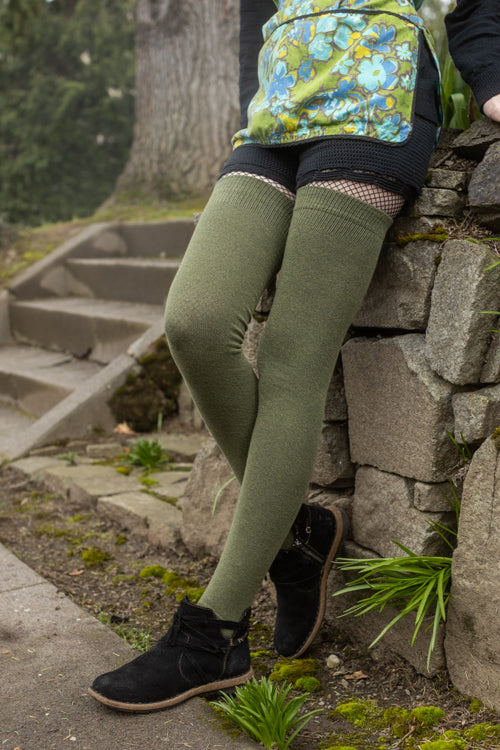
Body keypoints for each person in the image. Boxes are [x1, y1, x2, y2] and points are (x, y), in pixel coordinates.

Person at [89, 0, 500, 712]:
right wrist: (259, 90)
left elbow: (474, 8)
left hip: (375, 105)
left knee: (291, 361)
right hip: (277, 114)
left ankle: (215, 632)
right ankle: (297, 539)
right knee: (195, 322)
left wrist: (492, 79)